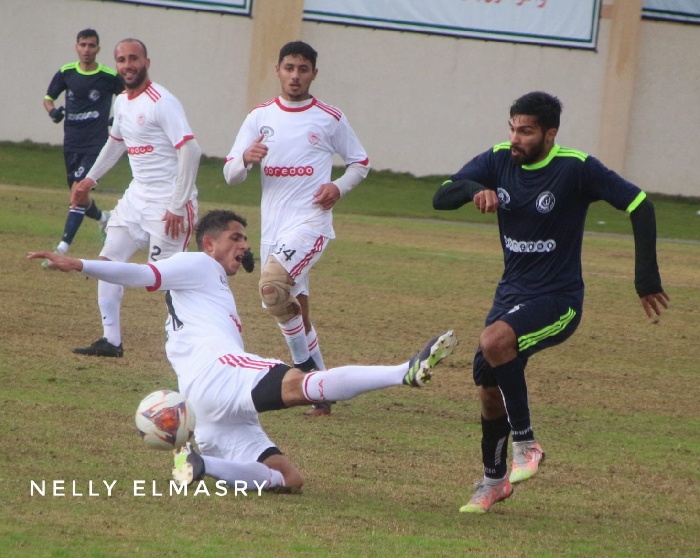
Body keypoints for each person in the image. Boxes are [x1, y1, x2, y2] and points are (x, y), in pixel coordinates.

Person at [28, 209, 458, 492]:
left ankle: (201, 465)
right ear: (209, 243)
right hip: (219, 373)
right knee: (301, 385)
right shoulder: (197, 264)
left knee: (289, 480)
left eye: (245, 240)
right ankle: (404, 371)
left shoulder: (209, 286)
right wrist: (79, 263)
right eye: (235, 238)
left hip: (207, 409)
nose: (244, 246)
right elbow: (141, 274)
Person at [432, 91, 670, 514]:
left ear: (549, 133)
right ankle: (493, 483)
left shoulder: (575, 168)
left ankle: (527, 446)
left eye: (525, 131)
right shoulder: (500, 158)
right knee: (489, 391)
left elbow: (639, 204)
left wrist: (646, 277)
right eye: (512, 129)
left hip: (558, 301)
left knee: (494, 342)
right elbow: (442, 194)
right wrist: (474, 190)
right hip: (511, 296)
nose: (515, 139)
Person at [223, 41, 370, 416]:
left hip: (311, 222)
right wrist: (245, 158)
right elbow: (230, 174)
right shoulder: (259, 117)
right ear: (278, 70)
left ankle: (304, 371)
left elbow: (360, 162)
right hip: (274, 228)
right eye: (289, 68)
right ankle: (321, 388)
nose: (295, 75)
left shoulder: (328, 117)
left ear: (313, 74)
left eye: (303, 69)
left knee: (272, 286)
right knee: (292, 307)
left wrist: (339, 186)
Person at [66, 38, 201, 358]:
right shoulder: (122, 102)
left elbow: (190, 150)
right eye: (122, 60)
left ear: (146, 62)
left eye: (134, 59)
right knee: (107, 263)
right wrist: (89, 179)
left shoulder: (162, 101)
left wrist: (177, 204)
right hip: (135, 200)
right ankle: (111, 341)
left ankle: (195, 343)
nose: (128, 65)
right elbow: (116, 144)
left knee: (166, 280)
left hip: (169, 206)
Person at [42, 29, 124, 262]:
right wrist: (53, 112)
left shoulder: (108, 76)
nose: (87, 49)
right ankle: (103, 219)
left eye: (91, 45)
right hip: (72, 144)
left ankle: (62, 248)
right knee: (78, 195)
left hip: (96, 144)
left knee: (78, 194)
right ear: (76, 47)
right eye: (83, 45)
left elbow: (128, 96)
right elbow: (48, 98)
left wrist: (118, 117)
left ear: (98, 49)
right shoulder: (67, 73)